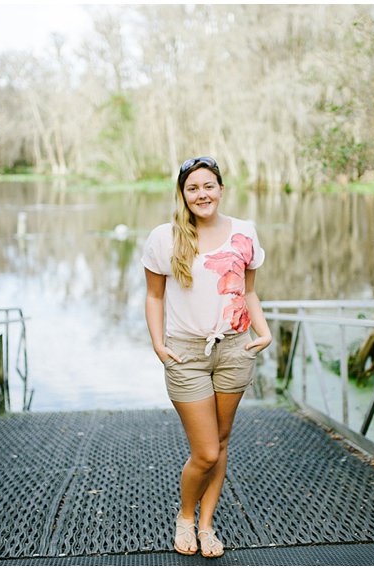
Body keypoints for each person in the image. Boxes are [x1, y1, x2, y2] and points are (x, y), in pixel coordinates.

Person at [142, 156, 272, 558]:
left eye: (209, 186)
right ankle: (185, 516)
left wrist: (263, 331)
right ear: (183, 194)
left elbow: (247, 291)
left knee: (222, 439)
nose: (202, 194)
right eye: (193, 188)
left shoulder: (243, 233)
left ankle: (207, 524)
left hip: (234, 348)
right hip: (186, 354)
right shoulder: (165, 237)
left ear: (221, 188)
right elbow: (154, 295)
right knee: (206, 451)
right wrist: (158, 343)